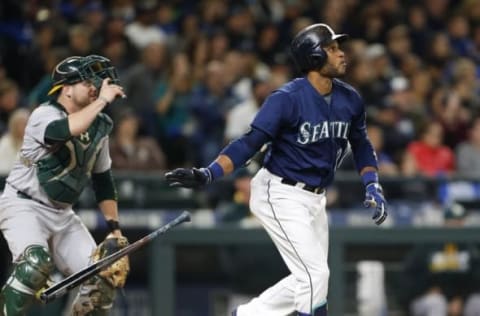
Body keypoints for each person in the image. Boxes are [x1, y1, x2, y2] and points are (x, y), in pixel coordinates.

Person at [166, 23, 388, 316]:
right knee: (316, 275)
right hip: (280, 192)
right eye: (332, 49)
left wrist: (372, 183)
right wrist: (209, 173)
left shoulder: (350, 98)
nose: (341, 54)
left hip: (315, 198)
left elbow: (361, 145)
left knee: (308, 279)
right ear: (313, 57)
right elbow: (249, 143)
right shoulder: (286, 98)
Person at [0, 54, 129, 315]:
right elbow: (65, 130)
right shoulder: (43, 114)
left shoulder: (100, 126)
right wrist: (103, 100)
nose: (95, 88)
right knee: (34, 265)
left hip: (63, 214)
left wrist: (114, 229)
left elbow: (103, 179)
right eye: (87, 83)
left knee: (102, 280)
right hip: (24, 205)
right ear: (67, 89)